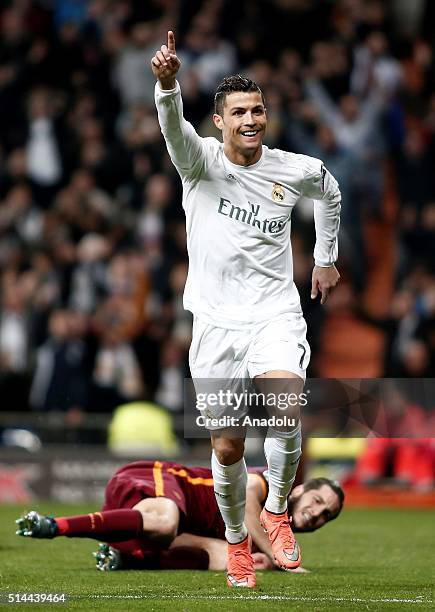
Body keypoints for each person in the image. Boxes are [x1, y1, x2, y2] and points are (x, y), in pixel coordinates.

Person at [151, 32, 341, 587]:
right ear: (219, 121)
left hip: (273, 314)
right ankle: (237, 543)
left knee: (284, 407)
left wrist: (325, 259)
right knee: (228, 446)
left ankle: (278, 510)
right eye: (239, 112)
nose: (251, 119)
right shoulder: (199, 163)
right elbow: (172, 128)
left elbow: (330, 190)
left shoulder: (290, 168)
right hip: (214, 325)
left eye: (258, 109)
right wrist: (167, 86)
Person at [16, 460, 345, 572]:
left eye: (325, 515)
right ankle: (56, 525)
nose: (317, 513)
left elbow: (189, 542)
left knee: (226, 558)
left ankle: (128, 558)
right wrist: (277, 552)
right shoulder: (274, 486)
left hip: (149, 517)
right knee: (165, 522)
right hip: (156, 478)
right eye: (317, 501)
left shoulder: (260, 545)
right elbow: (243, 500)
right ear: (299, 490)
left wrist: (263, 558)